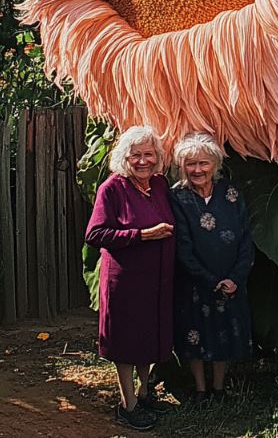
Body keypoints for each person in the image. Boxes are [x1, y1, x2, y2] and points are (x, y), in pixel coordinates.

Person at [85, 125, 175, 432]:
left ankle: (144, 392)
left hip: (155, 280)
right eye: (135, 155)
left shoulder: (160, 185)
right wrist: (141, 235)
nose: (143, 161)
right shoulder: (112, 189)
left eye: (149, 154)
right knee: (126, 341)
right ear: (125, 157)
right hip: (124, 282)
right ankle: (128, 406)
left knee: (148, 335)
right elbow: (95, 234)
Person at [170, 132, 254, 403]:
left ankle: (218, 388)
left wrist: (235, 278)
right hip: (194, 282)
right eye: (191, 164)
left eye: (204, 163)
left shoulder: (231, 192)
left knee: (225, 333)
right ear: (181, 166)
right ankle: (200, 389)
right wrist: (209, 279)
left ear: (215, 164)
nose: (197, 170)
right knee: (194, 333)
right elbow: (182, 246)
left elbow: (245, 239)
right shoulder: (177, 197)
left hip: (230, 281)